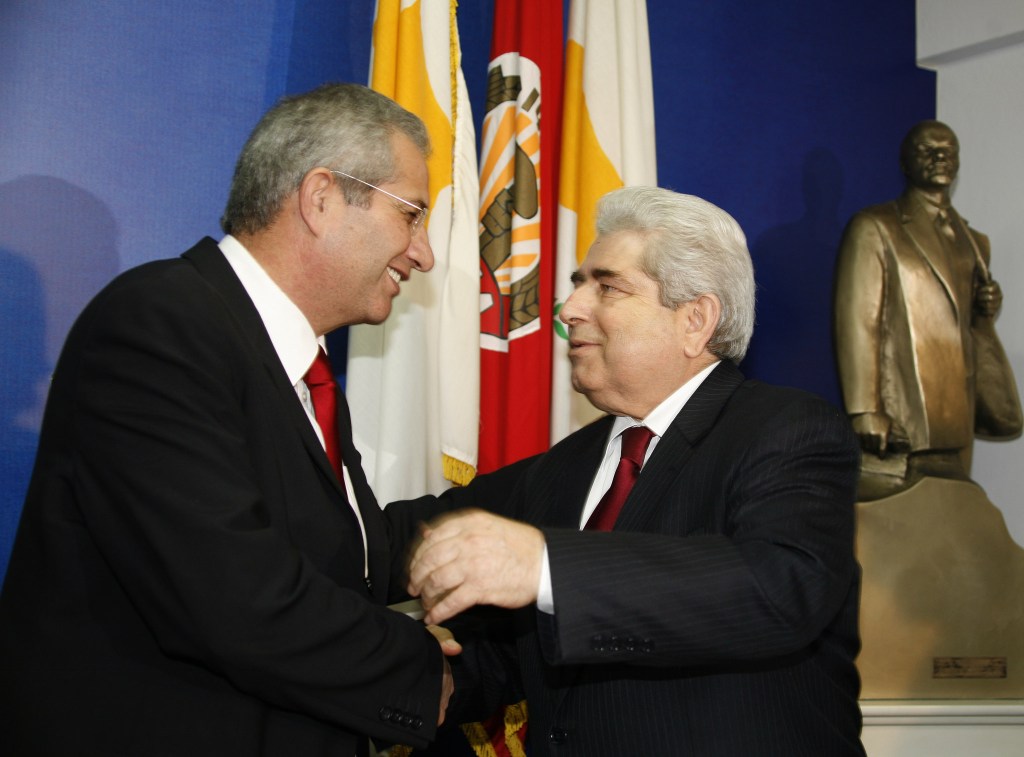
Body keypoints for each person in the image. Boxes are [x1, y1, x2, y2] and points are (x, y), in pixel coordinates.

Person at [0, 83, 459, 757]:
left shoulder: (295, 366)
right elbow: (235, 596)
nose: (424, 253)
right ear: (322, 197)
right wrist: (420, 670)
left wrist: (531, 515)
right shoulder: (159, 327)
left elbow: (353, 556)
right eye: (411, 215)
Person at [395, 186, 866, 756]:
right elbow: (518, 653)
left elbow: (780, 586)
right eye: (577, 284)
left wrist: (545, 565)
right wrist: (434, 674)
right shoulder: (560, 468)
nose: (568, 310)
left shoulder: (790, 430)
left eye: (607, 286)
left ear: (695, 320)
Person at [834, 120, 1021, 499]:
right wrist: (865, 409)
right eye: (928, 150)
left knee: (952, 517)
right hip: (904, 417)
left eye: (948, 151)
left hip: (957, 416)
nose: (940, 158)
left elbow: (964, 325)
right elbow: (859, 321)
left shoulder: (975, 241)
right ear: (906, 163)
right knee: (901, 521)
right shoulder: (875, 227)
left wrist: (984, 313)